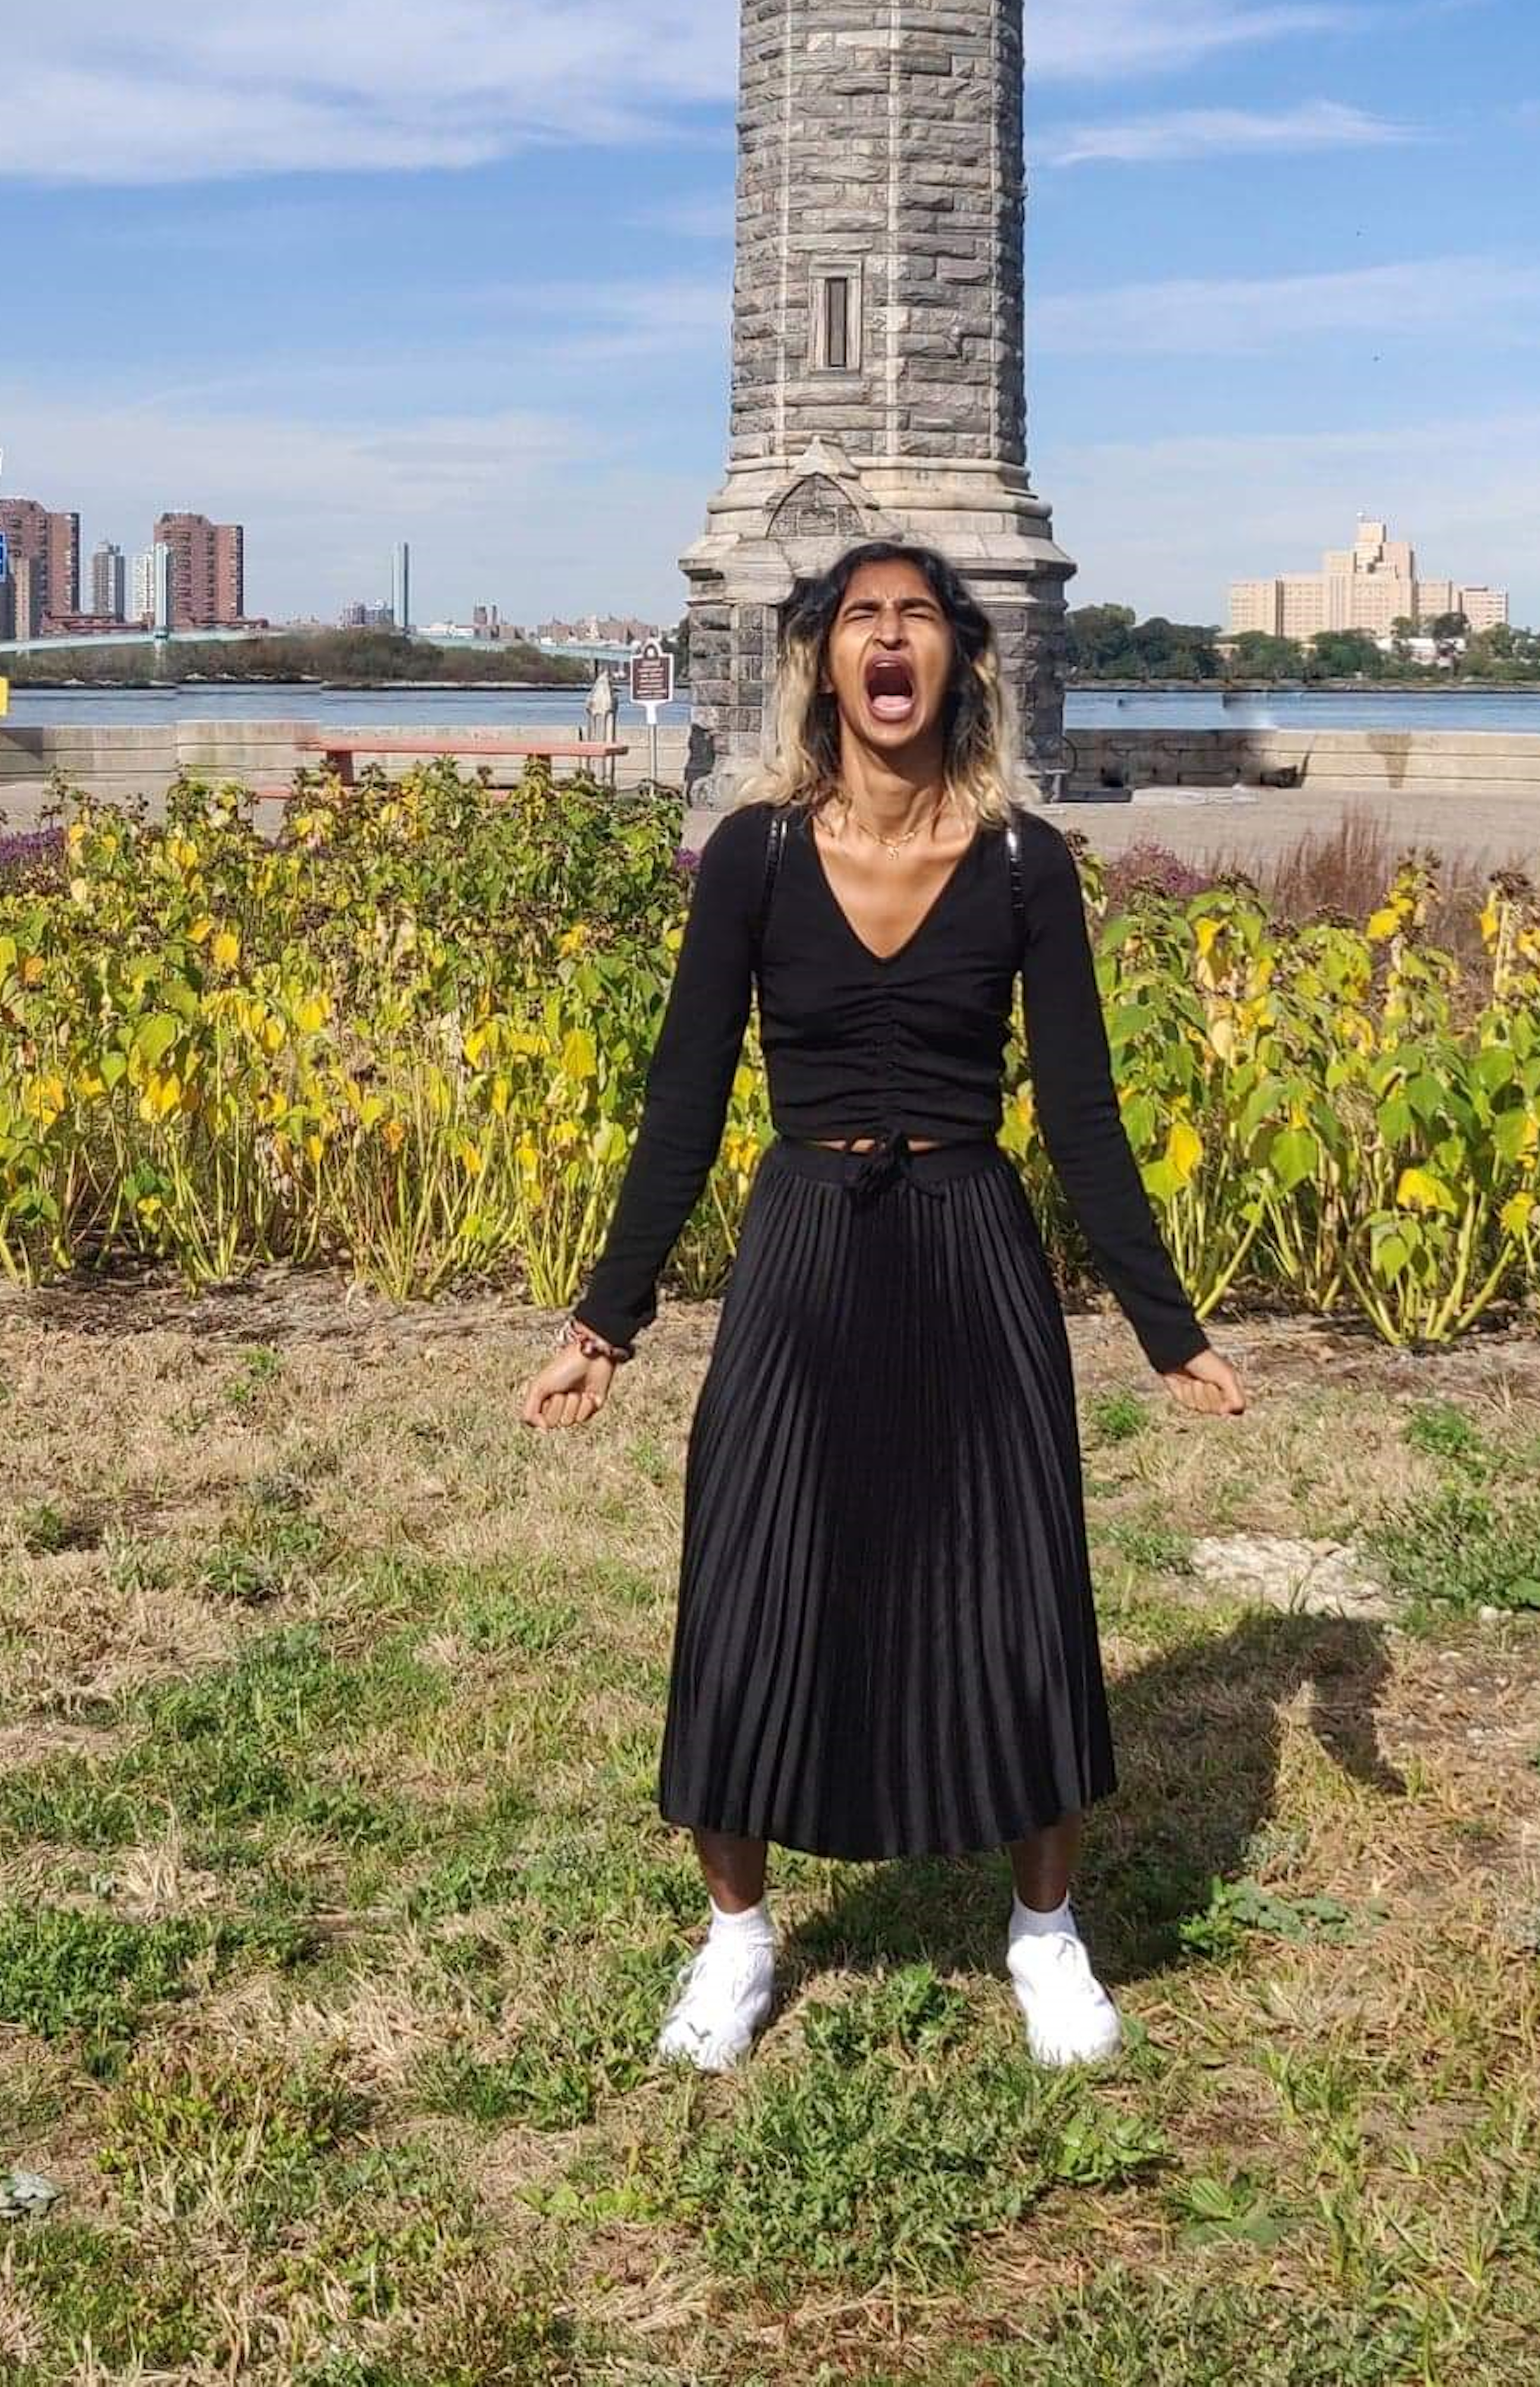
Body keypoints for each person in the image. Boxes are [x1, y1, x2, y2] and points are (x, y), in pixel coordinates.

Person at [518, 539, 1245, 2076]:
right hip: (805, 1251)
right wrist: (605, 1320)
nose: (894, 638)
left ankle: (1045, 1932)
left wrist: (1167, 1326)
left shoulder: (1024, 863)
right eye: (865, 617)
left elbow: (1090, 1115)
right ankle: (739, 1937)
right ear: (824, 664)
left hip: (975, 1250)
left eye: (920, 616)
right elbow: (683, 1101)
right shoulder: (756, 858)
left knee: (1015, 1584)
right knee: (752, 1579)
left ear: (958, 662)